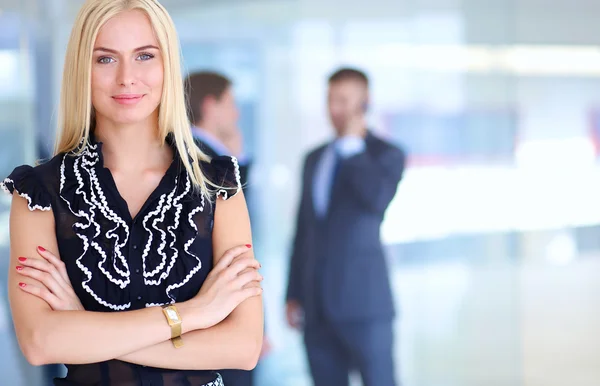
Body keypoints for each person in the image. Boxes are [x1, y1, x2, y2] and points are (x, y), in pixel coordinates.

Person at [2, 1, 263, 385]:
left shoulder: (217, 185)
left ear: (167, 65)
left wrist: (84, 331)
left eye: (144, 55)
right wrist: (194, 315)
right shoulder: (39, 192)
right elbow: (41, 342)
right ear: (82, 70)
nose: (127, 77)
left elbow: (243, 347)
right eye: (106, 60)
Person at [285, 67, 406, 386]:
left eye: (343, 100)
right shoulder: (314, 159)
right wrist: (293, 292)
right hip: (316, 308)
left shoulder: (386, 155)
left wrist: (353, 148)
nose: (334, 109)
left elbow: (377, 200)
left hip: (365, 306)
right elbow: (303, 231)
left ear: (365, 103)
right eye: (330, 100)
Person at [184, 71, 271, 386]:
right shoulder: (205, 160)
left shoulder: (209, 154)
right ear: (211, 105)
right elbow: (236, 248)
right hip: (219, 315)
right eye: (231, 104)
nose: (236, 114)